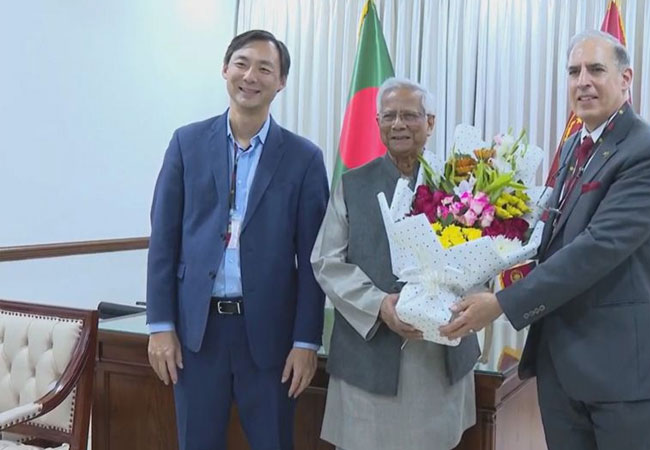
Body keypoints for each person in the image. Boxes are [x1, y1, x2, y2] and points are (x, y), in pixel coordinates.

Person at [441, 30, 650, 450]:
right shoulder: (574, 146)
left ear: (626, 79)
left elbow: (596, 248)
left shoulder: (649, 152)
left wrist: (502, 303)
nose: (583, 81)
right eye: (574, 72)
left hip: (621, 369)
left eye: (596, 70)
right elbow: (549, 237)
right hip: (562, 362)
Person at [146, 29, 329, 450]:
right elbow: (164, 241)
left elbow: (313, 260)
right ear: (225, 69)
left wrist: (306, 341)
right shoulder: (186, 143)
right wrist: (160, 325)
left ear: (281, 82)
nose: (250, 76)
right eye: (242, 64)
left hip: (269, 339)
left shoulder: (304, 158)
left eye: (265, 68)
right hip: (197, 335)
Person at [311, 77, 479, 450]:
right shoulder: (353, 184)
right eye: (389, 116)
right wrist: (379, 305)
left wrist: (471, 304)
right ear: (378, 123)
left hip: (439, 356)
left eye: (409, 115)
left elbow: (483, 256)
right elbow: (326, 260)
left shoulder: (460, 184)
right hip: (368, 357)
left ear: (430, 122)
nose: (398, 124)